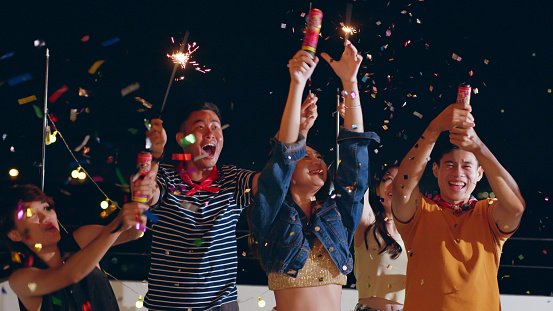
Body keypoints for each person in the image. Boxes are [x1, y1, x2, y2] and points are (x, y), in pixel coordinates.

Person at [250, 40, 380, 311]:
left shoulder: (338, 213)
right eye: (306, 156)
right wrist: (297, 84)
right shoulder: (271, 213)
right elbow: (283, 157)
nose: (317, 161)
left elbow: (355, 154)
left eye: (320, 157)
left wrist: (350, 84)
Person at [391, 101, 526, 310]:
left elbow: (516, 207)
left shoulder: (488, 214)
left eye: (467, 166)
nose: (458, 173)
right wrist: (433, 128)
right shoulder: (420, 212)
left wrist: (478, 147)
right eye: (450, 165)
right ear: (435, 170)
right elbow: (401, 188)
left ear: (480, 174)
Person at [132, 102, 261, 309]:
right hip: (167, 306)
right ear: (182, 139)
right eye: (200, 127)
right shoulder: (166, 176)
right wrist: (153, 154)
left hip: (221, 306)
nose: (211, 133)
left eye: (216, 127)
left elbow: (271, 184)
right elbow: (141, 195)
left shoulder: (233, 180)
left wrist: (295, 138)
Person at [0, 184, 148, 311]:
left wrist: (139, 200)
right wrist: (116, 225)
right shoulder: (21, 279)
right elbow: (70, 274)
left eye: (46, 207)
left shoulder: (81, 239)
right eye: (30, 214)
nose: (46, 217)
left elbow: (132, 233)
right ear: (15, 234)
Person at [353, 165, 407, 311]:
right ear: (377, 190)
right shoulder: (368, 224)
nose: (395, 184)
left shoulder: (418, 232)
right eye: (388, 179)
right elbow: (359, 183)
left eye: (402, 179)